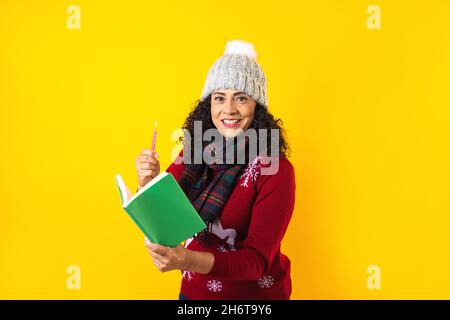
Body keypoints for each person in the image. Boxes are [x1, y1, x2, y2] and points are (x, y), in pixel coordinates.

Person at [135, 40, 296, 300]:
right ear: (208, 105)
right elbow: (163, 214)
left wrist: (186, 259)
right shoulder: (192, 153)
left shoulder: (274, 170)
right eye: (219, 98)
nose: (229, 109)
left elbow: (256, 262)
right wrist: (147, 182)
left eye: (241, 98)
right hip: (193, 295)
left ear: (257, 107)